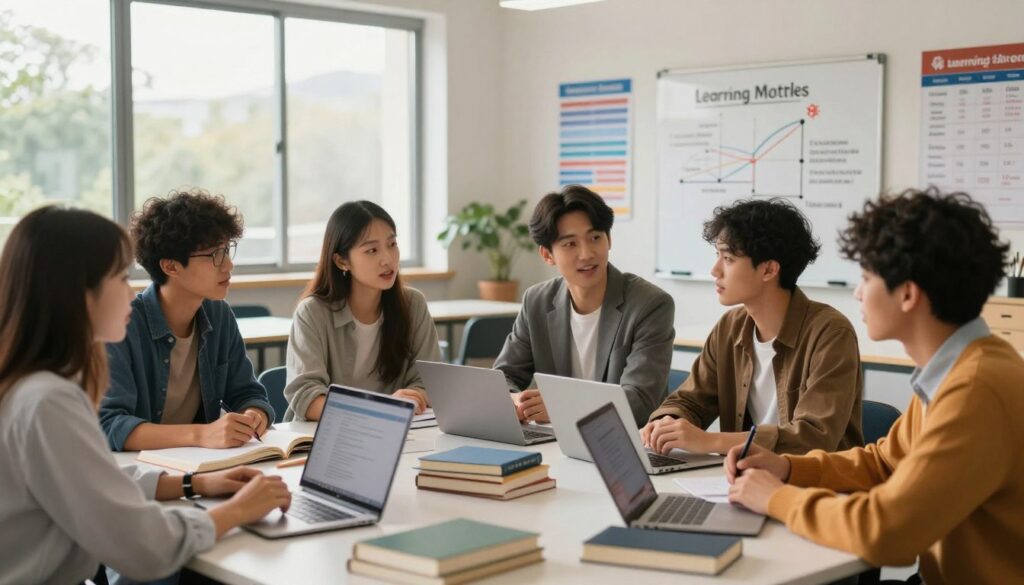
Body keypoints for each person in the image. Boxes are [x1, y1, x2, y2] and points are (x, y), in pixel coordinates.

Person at [727, 189, 1024, 584]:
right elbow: (884, 463)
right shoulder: (959, 370)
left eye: (867, 277)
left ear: (907, 294)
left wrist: (775, 498)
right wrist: (788, 467)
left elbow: (886, 533)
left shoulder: (975, 389)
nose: (857, 292)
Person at [0, 206, 290, 585]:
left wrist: (195, 483)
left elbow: (98, 483)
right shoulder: (48, 402)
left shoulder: (32, 386)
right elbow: (144, 546)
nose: (132, 290)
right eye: (120, 277)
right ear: (79, 294)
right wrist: (237, 511)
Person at [642, 199, 863, 455]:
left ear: (769, 269)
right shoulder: (730, 327)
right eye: (717, 256)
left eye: (728, 258)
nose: (715, 270)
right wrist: (666, 422)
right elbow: (691, 400)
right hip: (745, 479)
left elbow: (813, 437)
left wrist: (710, 441)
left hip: (816, 486)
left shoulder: (830, 333)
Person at [100, 189, 275, 451]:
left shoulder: (219, 315)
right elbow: (111, 425)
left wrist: (254, 414)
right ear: (170, 266)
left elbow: (247, 393)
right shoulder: (122, 325)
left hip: (199, 466)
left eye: (227, 250)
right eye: (214, 255)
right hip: (139, 472)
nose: (228, 265)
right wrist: (201, 435)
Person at [493, 185, 674, 426]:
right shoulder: (536, 301)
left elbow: (640, 401)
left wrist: (562, 407)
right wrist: (513, 400)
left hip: (626, 445)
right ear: (547, 255)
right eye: (570, 244)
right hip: (556, 443)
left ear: (609, 240)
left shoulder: (650, 304)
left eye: (595, 238)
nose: (587, 253)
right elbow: (503, 376)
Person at [284, 201, 441, 421]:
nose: (388, 259)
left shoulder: (413, 304)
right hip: (322, 438)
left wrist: (413, 397)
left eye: (392, 244)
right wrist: (381, 408)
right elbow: (306, 397)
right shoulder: (312, 312)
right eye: (372, 250)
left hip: (397, 433)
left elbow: (429, 382)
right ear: (341, 261)